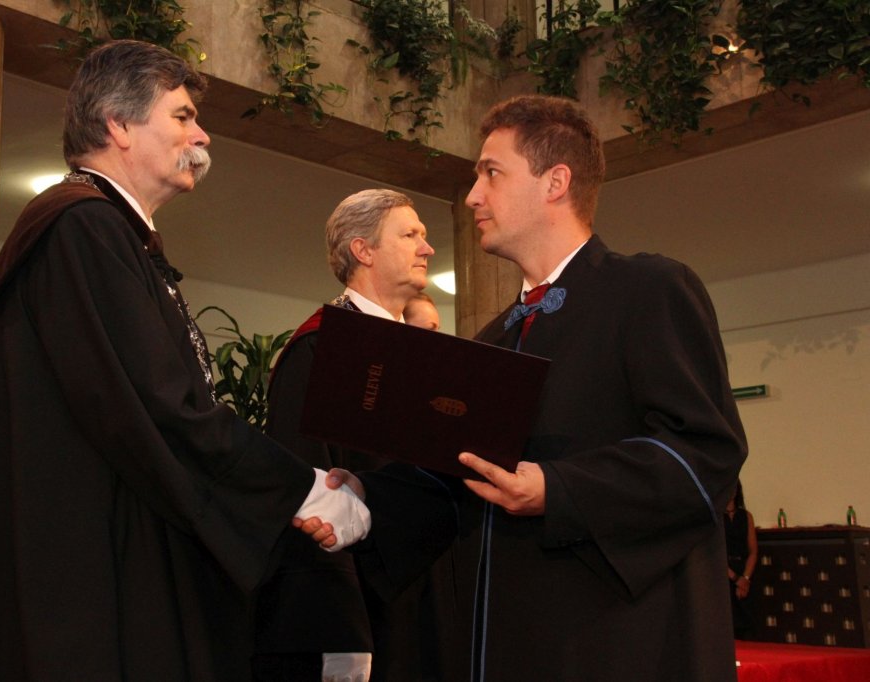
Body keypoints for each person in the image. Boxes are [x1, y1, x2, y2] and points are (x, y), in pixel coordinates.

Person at [0, 40, 369, 682]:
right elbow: (158, 406)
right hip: (95, 572)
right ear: (119, 124)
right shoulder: (83, 227)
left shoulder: (106, 231)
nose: (201, 135)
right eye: (182, 115)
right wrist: (298, 488)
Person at [307, 94, 748, 681]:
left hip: (616, 641)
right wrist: (365, 496)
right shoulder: (495, 336)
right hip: (508, 643)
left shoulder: (647, 289)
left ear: (555, 182)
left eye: (491, 173)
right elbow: (458, 475)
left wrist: (556, 489)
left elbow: (705, 452)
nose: (473, 196)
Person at [255, 189, 445, 682]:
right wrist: (343, 636)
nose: (427, 248)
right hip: (357, 614)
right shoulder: (321, 348)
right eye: (410, 235)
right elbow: (308, 498)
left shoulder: (423, 354)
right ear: (363, 250)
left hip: (423, 599)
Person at [725, 481, 758, 639]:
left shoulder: (746, 516)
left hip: (743, 569)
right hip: (724, 572)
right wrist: (735, 578)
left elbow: (753, 551)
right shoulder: (715, 518)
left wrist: (745, 578)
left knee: (747, 620)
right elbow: (714, 553)